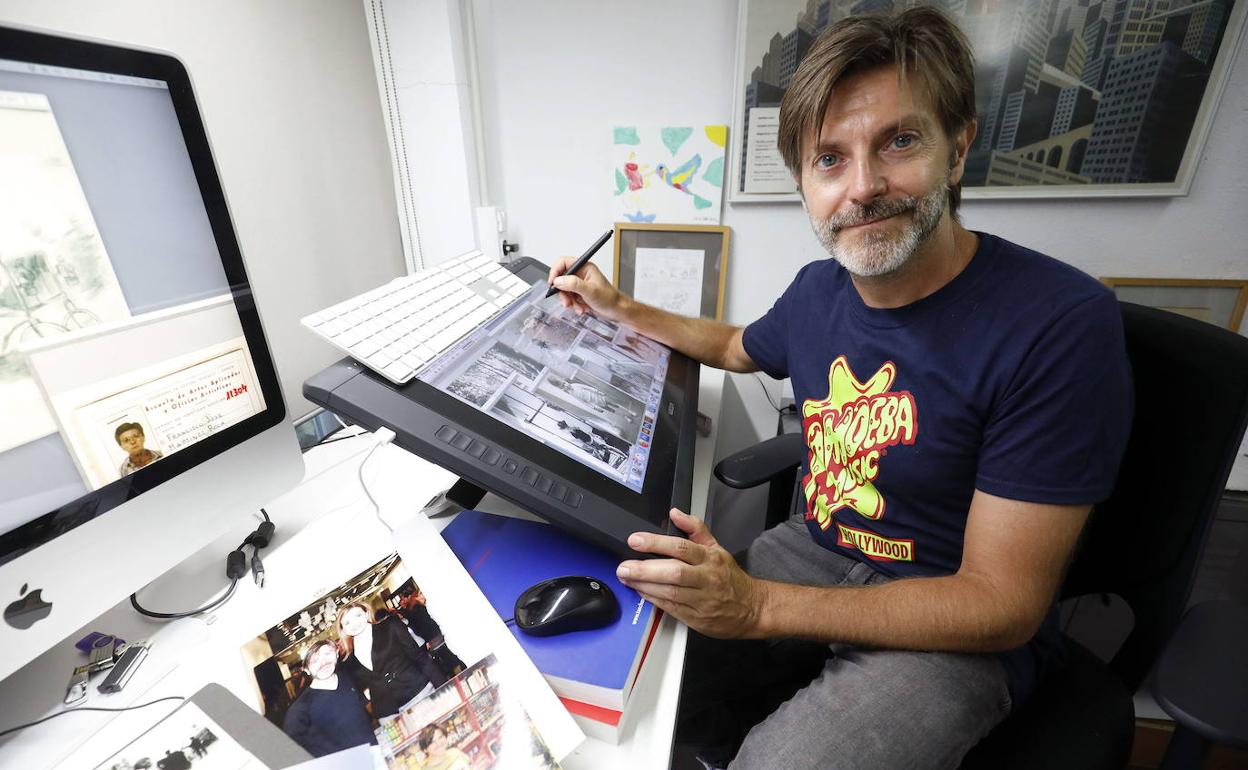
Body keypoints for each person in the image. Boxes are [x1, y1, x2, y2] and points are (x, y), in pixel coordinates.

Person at [546, 9, 1132, 769]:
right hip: (817, 548)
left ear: (958, 150)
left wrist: (758, 608)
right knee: (630, 678)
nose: (862, 187)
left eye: (899, 141)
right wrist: (618, 307)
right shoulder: (818, 290)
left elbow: (1002, 605)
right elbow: (732, 346)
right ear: (803, 183)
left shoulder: (1060, 323)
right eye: (829, 159)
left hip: (952, 618)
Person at [336, 601, 448, 719]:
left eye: (358, 615)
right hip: (387, 712)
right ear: (343, 629)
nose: (354, 623)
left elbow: (420, 658)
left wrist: (444, 686)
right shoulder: (348, 660)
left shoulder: (390, 626)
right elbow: (357, 689)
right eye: (347, 622)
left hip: (417, 692)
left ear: (366, 613)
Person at [282, 640, 377, 758]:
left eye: (327, 653)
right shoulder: (300, 709)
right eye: (314, 660)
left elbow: (361, 708)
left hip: (375, 750)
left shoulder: (346, 678)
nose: (323, 663)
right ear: (306, 669)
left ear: (337, 653)